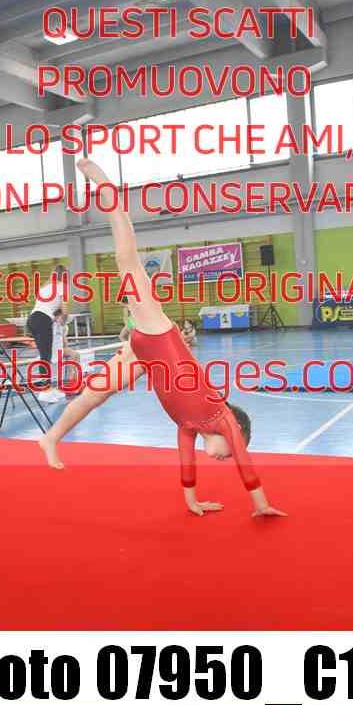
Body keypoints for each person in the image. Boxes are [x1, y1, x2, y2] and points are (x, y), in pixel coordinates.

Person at [39, 158, 285, 520]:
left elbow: (186, 464)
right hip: (159, 334)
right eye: (231, 449)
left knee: (93, 396)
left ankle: (50, 437)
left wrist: (192, 502)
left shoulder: (190, 427)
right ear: (235, 431)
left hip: (145, 356)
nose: (225, 457)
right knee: (127, 261)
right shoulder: (220, 415)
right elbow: (245, 464)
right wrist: (261, 504)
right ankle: (105, 186)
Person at [27, 264, 69, 403]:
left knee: (46, 356)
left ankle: (49, 388)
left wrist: (57, 317)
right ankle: (45, 391)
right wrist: (63, 322)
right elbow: (64, 310)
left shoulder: (45, 287)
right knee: (45, 357)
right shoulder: (62, 286)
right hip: (42, 320)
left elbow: (50, 307)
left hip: (33, 319)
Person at [52, 308, 81, 386]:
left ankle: (75, 378)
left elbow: (64, 342)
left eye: (65, 319)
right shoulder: (52, 326)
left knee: (76, 355)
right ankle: (71, 378)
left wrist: (66, 346)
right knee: (73, 355)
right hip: (52, 349)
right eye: (62, 318)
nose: (64, 320)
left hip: (60, 349)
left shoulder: (63, 327)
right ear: (56, 317)